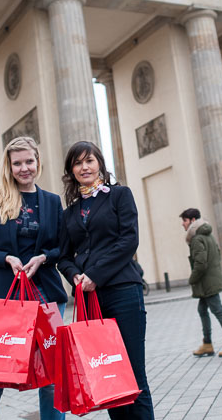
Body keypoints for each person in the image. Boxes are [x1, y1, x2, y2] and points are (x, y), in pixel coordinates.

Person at [0, 136, 67, 420]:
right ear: (8, 167)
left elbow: (63, 246)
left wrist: (44, 257)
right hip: (6, 299)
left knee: (50, 381)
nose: (24, 168)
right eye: (17, 163)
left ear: (38, 162)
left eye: (29, 161)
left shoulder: (51, 202)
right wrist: (6, 259)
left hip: (46, 297)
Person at [58, 141, 154, 420]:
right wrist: (74, 274)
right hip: (90, 298)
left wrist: (95, 274)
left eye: (89, 160)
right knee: (107, 376)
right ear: (71, 171)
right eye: (77, 163)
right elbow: (63, 256)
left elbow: (129, 240)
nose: (84, 167)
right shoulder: (70, 213)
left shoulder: (119, 195)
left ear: (99, 163)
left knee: (134, 375)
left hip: (123, 291)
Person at [180, 208, 222, 358]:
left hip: (206, 283)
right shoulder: (208, 235)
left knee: (218, 311)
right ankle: (207, 343)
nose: (182, 224)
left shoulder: (197, 239)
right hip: (209, 280)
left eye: (185, 220)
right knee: (203, 310)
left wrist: (192, 279)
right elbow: (217, 254)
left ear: (193, 221)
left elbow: (200, 263)